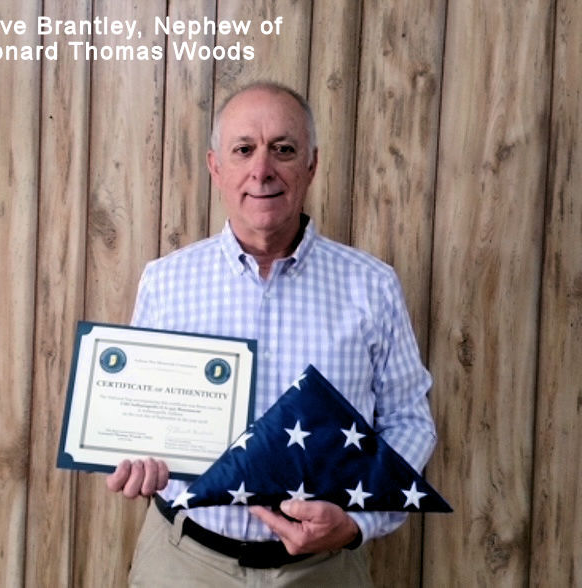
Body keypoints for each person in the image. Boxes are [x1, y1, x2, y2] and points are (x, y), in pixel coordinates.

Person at [106, 81, 437, 586]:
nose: (262, 169)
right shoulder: (166, 282)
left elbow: (409, 421)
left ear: (312, 164)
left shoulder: (372, 286)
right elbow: (134, 419)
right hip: (183, 564)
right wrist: (131, 456)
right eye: (244, 149)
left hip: (324, 571)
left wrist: (357, 523)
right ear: (216, 167)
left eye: (283, 149)